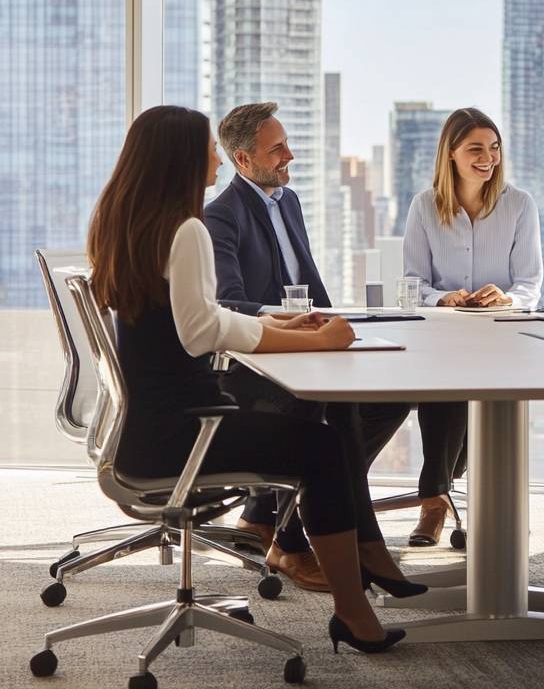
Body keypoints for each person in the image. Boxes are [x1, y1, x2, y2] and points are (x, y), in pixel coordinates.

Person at [87, 105, 406, 654]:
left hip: (146, 429)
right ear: (182, 159)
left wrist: (271, 320)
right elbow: (202, 329)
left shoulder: (128, 223)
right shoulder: (188, 228)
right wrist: (307, 340)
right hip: (185, 435)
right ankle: (353, 614)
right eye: (208, 148)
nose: (216, 157)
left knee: (324, 433)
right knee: (324, 448)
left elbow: (196, 314)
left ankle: (334, 570)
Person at [204, 102, 410, 593]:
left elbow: (308, 282)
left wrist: (337, 324)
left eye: (287, 144)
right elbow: (230, 303)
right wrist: (299, 327)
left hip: (306, 345)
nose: (289, 156)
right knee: (317, 413)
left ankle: (270, 513)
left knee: (393, 398)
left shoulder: (288, 201)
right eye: (276, 149)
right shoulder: (220, 217)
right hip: (253, 364)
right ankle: (291, 542)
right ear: (242, 159)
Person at [360, 107, 542, 546]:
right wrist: (445, 297)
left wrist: (506, 298)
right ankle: (435, 497)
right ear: (452, 154)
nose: (488, 157)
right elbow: (411, 281)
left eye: (494, 147)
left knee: (463, 382)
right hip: (439, 339)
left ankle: (435, 499)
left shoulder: (519, 204)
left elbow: (530, 283)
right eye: (475, 148)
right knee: (449, 381)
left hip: (500, 339)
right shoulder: (425, 205)